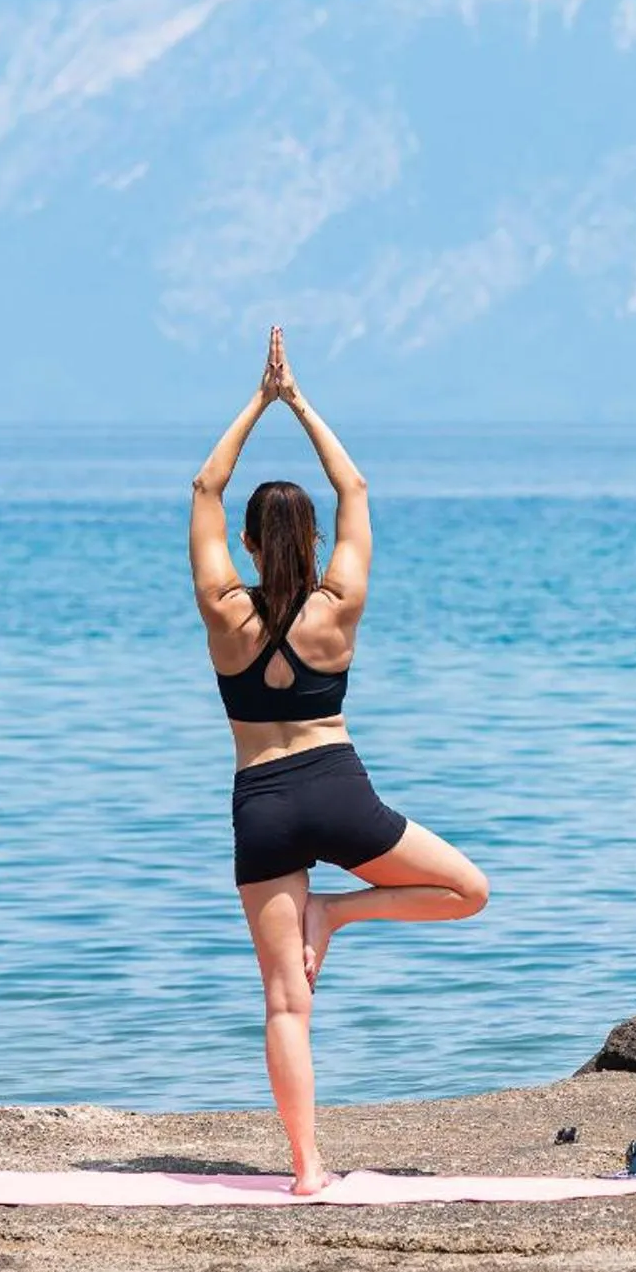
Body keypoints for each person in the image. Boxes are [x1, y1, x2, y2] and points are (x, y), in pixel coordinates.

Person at [189, 327, 489, 1193]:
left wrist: (258, 400)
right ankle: (341, 914)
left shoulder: (224, 610)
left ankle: (308, 1167)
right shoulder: (338, 605)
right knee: (467, 890)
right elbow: (354, 484)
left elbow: (205, 486)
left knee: (287, 1002)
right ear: (315, 539)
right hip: (337, 789)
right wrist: (299, 401)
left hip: (262, 803)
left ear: (250, 545)